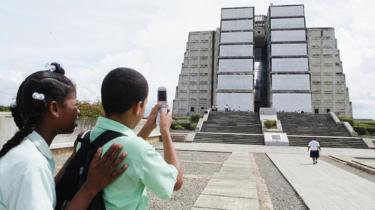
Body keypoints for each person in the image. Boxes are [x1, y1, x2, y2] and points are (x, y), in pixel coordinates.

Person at [0, 63, 128, 210]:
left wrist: (74, 157)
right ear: (54, 108)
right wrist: (91, 187)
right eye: (75, 105)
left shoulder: (25, 152)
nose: (78, 112)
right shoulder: (31, 165)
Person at [88, 67, 184, 210]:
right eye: (144, 104)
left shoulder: (87, 137)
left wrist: (146, 129)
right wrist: (165, 131)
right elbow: (176, 182)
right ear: (138, 107)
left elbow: (126, 143)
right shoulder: (138, 150)